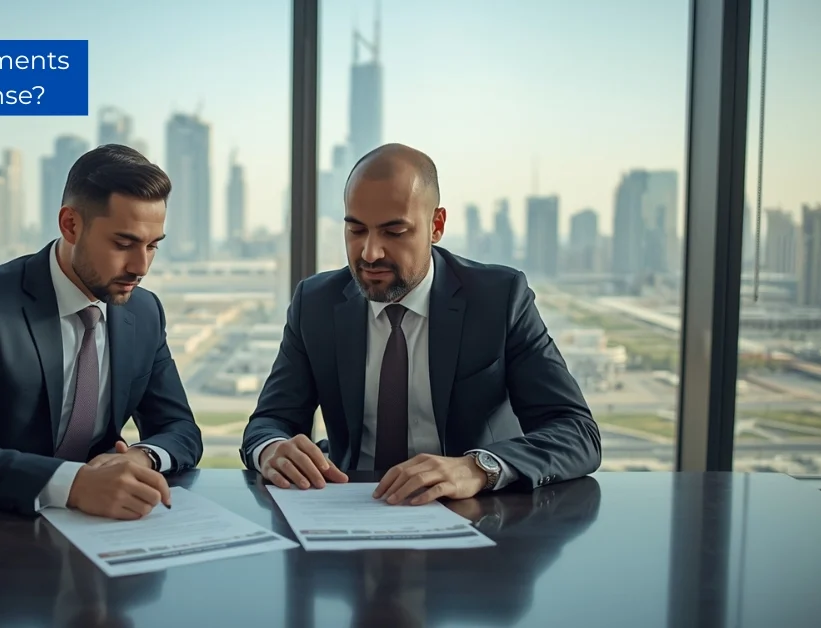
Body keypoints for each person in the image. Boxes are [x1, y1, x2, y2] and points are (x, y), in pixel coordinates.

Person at [240, 143, 600, 504]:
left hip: (476, 516)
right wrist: (273, 449)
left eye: (393, 232)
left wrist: (478, 468)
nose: (370, 253)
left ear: (436, 226)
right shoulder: (316, 303)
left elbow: (577, 433)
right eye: (356, 231)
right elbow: (269, 422)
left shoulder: (499, 299)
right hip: (349, 508)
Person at [0, 144, 203, 518]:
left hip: (104, 529)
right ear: (71, 225)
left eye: (152, 246)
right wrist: (73, 484)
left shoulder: (143, 312)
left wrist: (142, 459)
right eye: (123, 244)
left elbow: (180, 429)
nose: (140, 266)